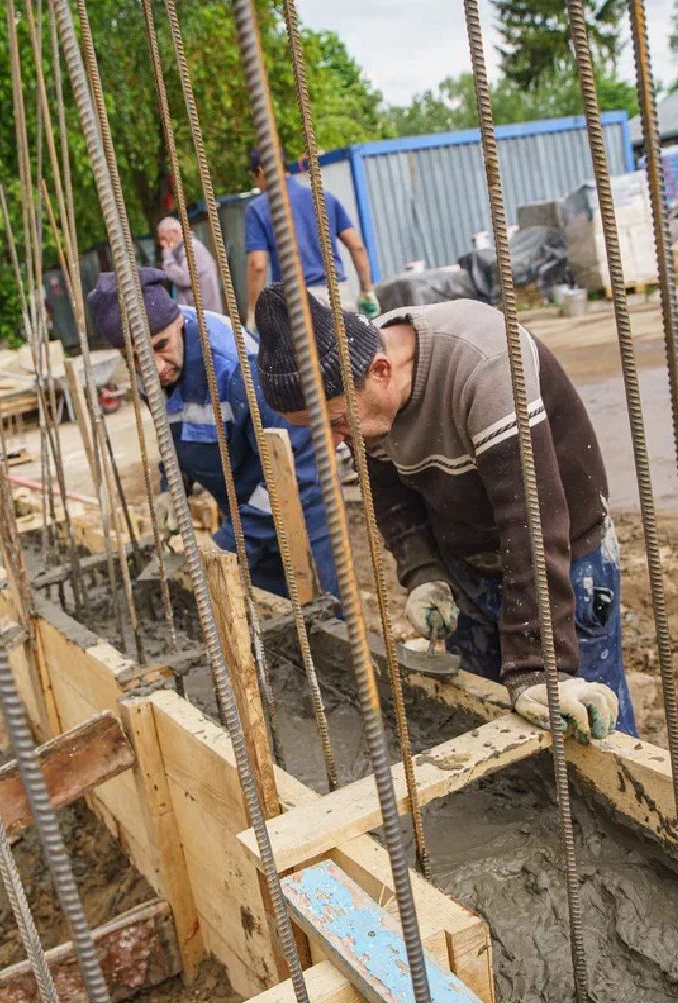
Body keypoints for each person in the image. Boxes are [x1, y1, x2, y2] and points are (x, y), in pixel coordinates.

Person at [252, 286, 634, 742]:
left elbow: (530, 517)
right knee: (486, 714)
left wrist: (539, 664)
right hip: (468, 562)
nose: (333, 442)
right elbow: (390, 494)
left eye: (335, 423)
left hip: (563, 560)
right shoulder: (364, 389)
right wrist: (424, 572)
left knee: (588, 726)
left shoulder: (484, 361)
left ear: (380, 371)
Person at [86, 267, 338, 599]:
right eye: (135, 358)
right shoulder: (151, 369)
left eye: (160, 346)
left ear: (178, 323)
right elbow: (176, 431)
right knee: (269, 617)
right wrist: (171, 486)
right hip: (241, 504)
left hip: (302, 506)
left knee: (326, 617)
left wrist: (230, 544)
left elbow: (296, 464)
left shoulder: (236, 367)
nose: (155, 367)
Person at [244, 149, 379, 317]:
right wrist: (367, 291)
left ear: (261, 171)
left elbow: (258, 265)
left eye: (254, 177)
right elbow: (356, 246)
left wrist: (253, 312)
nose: (257, 184)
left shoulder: (258, 209)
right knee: (347, 343)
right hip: (337, 296)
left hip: (296, 302)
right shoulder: (323, 197)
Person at [157, 216, 222, 315]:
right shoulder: (184, 249)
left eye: (164, 238)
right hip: (200, 313)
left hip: (204, 315)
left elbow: (185, 278)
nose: (162, 243)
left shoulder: (191, 248)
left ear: (175, 232)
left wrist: (168, 257)